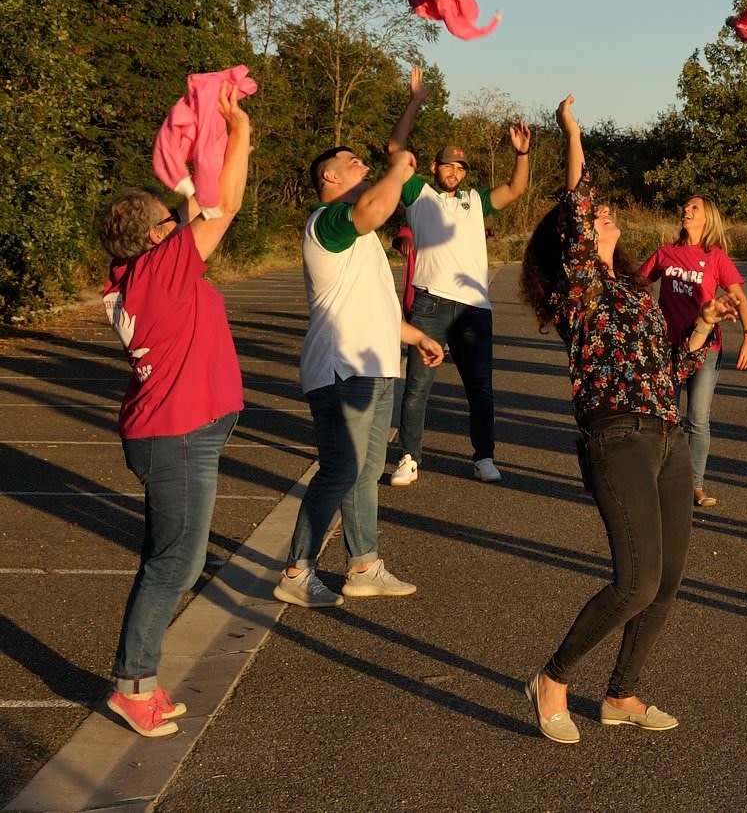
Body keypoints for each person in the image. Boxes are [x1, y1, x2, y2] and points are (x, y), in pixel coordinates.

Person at [517, 97, 738, 743]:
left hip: (665, 434)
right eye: (595, 217)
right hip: (615, 436)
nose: (605, 214)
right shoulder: (578, 287)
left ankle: (621, 692)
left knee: (666, 580)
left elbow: (667, 372)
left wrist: (700, 325)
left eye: (608, 213)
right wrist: (573, 135)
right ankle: (552, 678)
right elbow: (578, 200)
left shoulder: (632, 293)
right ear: (573, 242)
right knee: (635, 580)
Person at [96, 85, 251, 738]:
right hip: (175, 435)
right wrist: (238, 135)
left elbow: (208, 207)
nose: (180, 225)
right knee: (173, 563)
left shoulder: (150, 274)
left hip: (187, 433)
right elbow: (226, 206)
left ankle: (143, 679)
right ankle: (132, 684)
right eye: (169, 220)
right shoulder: (155, 273)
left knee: (178, 560)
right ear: (154, 237)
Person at [276, 143, 446, 608]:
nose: (364, 167)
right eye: (352, 163)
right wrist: (398, 168)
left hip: (374, 367)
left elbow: (376, 309)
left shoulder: (361, 237)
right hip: (340, 369)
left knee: (366, 472)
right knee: (340, 470)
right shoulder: (327, 221)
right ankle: (296, 572)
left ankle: (364, 566)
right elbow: (375, 206)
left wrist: (416, 337)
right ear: (330, 179)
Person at [384, 70, 532, 485]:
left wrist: (521, 154)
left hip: (473, 308)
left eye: (461, 167)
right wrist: (414, 100)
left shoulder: (475, 200)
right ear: (435, 167)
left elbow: (515, 189)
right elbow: (396, 149)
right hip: (429, 302)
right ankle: (410, 457)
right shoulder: (418, 194)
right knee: (417, 388)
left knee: (479, 389)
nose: (455, 171)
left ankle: (483, 456)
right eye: (449, 165)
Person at [640, 193, 747, 508]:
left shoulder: (716, 257)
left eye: (695, 207)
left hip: (707, 347)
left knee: (698, 420)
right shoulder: (665, 253)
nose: (686, 210)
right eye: (686, 206)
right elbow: (637, 288)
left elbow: (738, 298)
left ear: (708, 218)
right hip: (668, 348)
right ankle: (663, 480)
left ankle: (694, 485)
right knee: (667, 417)